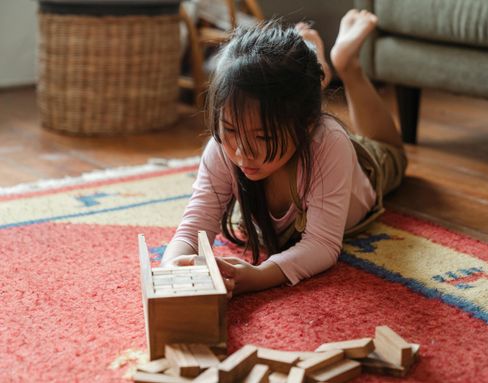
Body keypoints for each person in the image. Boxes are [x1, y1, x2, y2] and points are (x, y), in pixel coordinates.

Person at [160, 9, 407, 297]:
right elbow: (196, 222)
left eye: (263, 136)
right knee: (272, 112)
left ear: (307, 125)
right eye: (229, 129)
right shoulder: (222, 145)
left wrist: (259, 276)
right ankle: (314, 78)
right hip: (298, 120)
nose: (241, 153)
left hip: (360, 171)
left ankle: (346, 64)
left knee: (394, 154)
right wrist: (173, 265)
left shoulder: (328, 143)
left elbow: (322, 245)